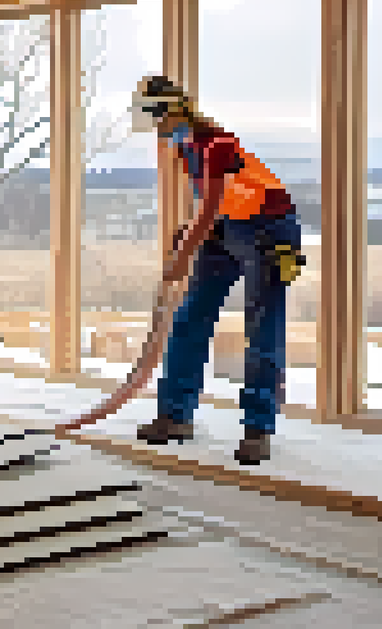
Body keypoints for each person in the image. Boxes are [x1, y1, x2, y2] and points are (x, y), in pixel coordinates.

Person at [130, 75, 305, 465]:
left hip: (269, 230)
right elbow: (215, 204)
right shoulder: (185, 146)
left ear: (169, 112)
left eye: (154, 118)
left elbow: (210, 207)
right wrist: (186, 234)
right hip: (226, 227)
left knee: (261, 326)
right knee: (192, 316)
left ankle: (258, 430)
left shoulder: (216, 144)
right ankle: (175, 417)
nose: (155, 128)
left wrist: (183, 253)